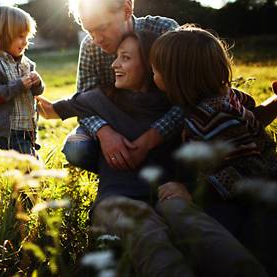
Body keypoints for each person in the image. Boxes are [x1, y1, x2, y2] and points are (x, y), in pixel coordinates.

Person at [37, 30, 267, 277]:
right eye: (117, 57)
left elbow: (243, 113)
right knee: (145, 231)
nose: (114, 64)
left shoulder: (180, 103)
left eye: (125, 58)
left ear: (151, 68)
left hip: (168, 195)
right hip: (117, 199)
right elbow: (50, 110)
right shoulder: (98, 98)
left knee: (189, 221)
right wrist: (27, 85)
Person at [150, 25, 277, 275]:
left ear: (177, 76)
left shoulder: (213, 116)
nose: (152, 75)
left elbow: (249, 169)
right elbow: (253, 116)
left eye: (155, 70)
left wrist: (194, 191)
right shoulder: (226, 96)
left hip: (254, 201)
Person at [64, 0, 182, 172]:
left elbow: (189, 98)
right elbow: (83, 103)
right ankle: (117, 169)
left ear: (127, 10)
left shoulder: (164, 32)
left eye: (102, 28)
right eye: (89, 31)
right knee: (77, 149)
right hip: (114, 123)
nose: (96, 39)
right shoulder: (89, 46)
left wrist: (147, 141)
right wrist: (105, 133)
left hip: (160, 121)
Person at [0, 5, 45, 156]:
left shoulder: (27, 63)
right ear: (2, 35)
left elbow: (37, 92)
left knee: (25, 162)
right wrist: (18, 86)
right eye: (20, 36)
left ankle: (22, 178)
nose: (26, 42)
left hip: (28, 126)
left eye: (27, 37)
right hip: (8, 130)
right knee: (30, 165)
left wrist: (38, 83)